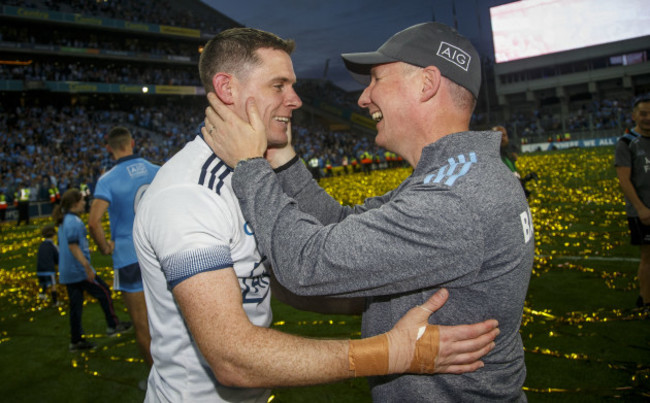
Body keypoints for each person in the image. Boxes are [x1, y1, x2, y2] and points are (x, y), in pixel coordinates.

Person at [133, 27, 500, 403]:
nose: (295, 100)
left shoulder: (250, 175)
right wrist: (389, 351)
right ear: (227, 89)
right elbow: (233, 359)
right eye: (279, 85)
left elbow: (294, 268)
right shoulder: (188, 194)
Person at [89, 126, 159, 367]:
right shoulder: (156, 170)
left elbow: (93, 221)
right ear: (133, 143)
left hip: (130, 257)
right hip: (160, 252)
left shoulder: (107, 180)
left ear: (109, 148)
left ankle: (157, 381)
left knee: (142, 324)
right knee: (173, 317)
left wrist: (105, 247)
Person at [53, 188, 132, 352]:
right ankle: (113, 325)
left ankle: (76, 340)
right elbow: (73, 246)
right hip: (79, 271)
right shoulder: (74, 222)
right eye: (82, 200)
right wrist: (86, 266)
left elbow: (69, 245)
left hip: (68, 272)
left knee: (75, 307)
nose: (84, 203)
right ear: (75, 204)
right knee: (104, 292)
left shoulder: (64, 220)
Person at [615, 95, 650, 310]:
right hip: (643, 210)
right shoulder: (627, 142)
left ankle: (644, 295)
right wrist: (640, 208)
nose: (648, 118)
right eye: (644, 113)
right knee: (648, 256)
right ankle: (646, 302)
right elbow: (624, 180)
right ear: (634, 116)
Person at [493, 125, 537, 198]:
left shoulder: (508, 156)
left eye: (504, 135)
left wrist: (524, 180)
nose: (502, 137)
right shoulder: (494, 158)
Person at [36, 224, 59, 306]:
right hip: (49, 269)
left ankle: (42, 293)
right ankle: (55, 302)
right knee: (53, 284)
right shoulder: (52, 245)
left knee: (44, 282)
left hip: (39, 269)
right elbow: (57, 257)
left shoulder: (41, 245)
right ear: (53, 235)